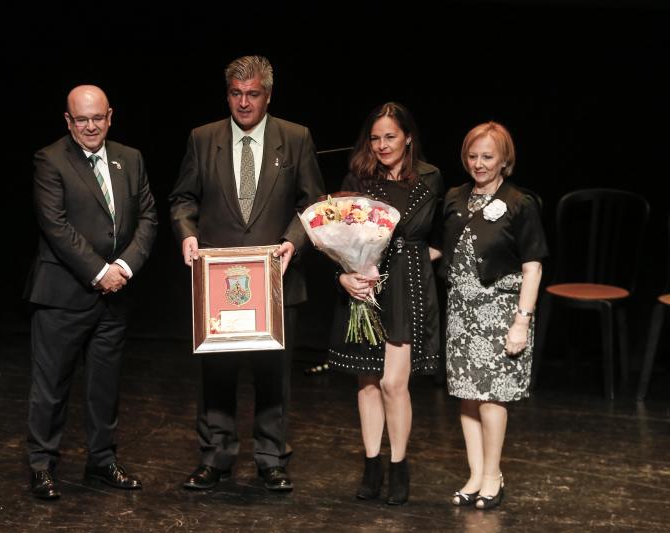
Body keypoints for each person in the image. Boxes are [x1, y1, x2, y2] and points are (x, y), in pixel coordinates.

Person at [169, 55, 325, 492]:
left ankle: (271, 458)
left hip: (277, 280)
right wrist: (187, 235)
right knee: (217, 374)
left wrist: (296, 239)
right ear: (228, 95)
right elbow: (182, 199)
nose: (243, 102)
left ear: (268, 95)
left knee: (273, 374)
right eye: (236, 94)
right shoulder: (204, 138)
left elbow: (312, 203)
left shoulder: (295, 138)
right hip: (220, 283)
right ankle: (215, 456)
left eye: (252, 94)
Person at [23, 85, 158, 500]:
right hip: (63, 295)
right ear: (68, 121)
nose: (90, 126)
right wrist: (99, 271)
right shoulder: (50, 160)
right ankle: (42, 466)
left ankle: (102, 460)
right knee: (51, 387)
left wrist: (122, 267)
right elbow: (55, 226)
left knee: (104, 386)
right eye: (81, 119)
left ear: (110, 116)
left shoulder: (129, 159)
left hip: (115, 295)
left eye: (97, 118)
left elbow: (149, 217)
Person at [328, 102, 444, 505]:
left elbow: (441, 238)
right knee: (368, 381)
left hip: (408, 283)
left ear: (408, 137)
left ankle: (399, 465)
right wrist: (345, 275)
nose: (382, 145)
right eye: (375, 138)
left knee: (396, 382)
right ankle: (371, 464)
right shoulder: (358, 178)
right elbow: (336, 236)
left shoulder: (430, 179)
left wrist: (416, 261)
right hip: (367, 282)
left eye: (390, 137)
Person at [442, 121, 548, 510]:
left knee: (491, 397)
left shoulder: (520, 203)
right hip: (461, 312)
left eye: (488, 156)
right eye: (473, 156)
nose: (479, 163)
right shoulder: (455, 198)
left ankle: (492, 474)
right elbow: (442, 251)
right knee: (466, 396)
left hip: (500, 311)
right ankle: (474, 473)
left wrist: (522, 320)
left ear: (505, 160)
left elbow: (533, 267)